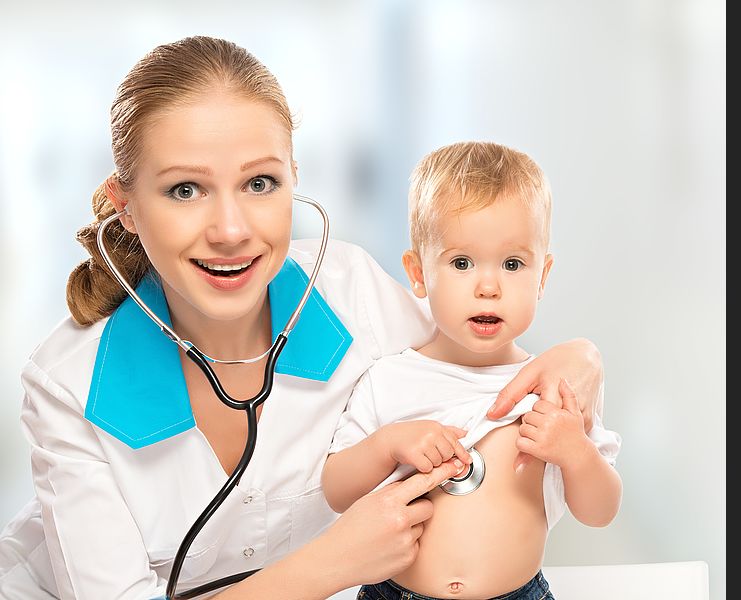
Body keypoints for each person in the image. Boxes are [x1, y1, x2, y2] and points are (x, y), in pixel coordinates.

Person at [0, 38, 605, 600]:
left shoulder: (352, 295)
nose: (231, 230)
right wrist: (330, 565)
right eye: (186, 189)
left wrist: (580, 359)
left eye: (260, 182)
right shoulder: (68, 386)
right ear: (124, 207)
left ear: (294, 180)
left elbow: (478, 337)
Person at [322, 142, 623, 600]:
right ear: (418, 273)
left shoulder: (555, 389)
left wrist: (575, 452)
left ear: (542, 276)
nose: (488, 286)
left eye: (513, 264)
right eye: (462, 263)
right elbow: (336, 492)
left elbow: (601, 512)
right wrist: (388, 446)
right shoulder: (389, 379)